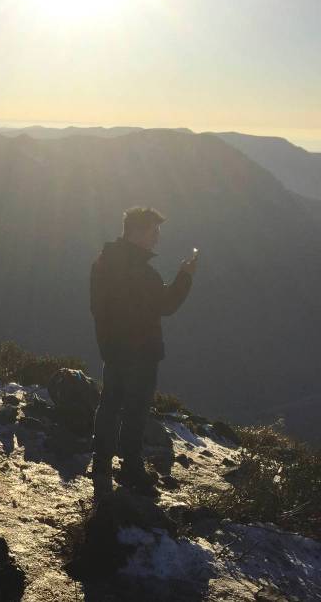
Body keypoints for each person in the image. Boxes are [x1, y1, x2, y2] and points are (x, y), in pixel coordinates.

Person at [89, 207, 198, 495]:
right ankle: (131, 469)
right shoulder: (143, 272)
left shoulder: (103, 261)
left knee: (110, 404)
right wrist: (185, 276)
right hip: (141, 352)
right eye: (154, 231)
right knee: (135, 410)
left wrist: (107, 340)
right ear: (137, 232)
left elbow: (98, 307)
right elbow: (166, 305)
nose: (157, 237)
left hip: (112, 348)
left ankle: (100, 463)